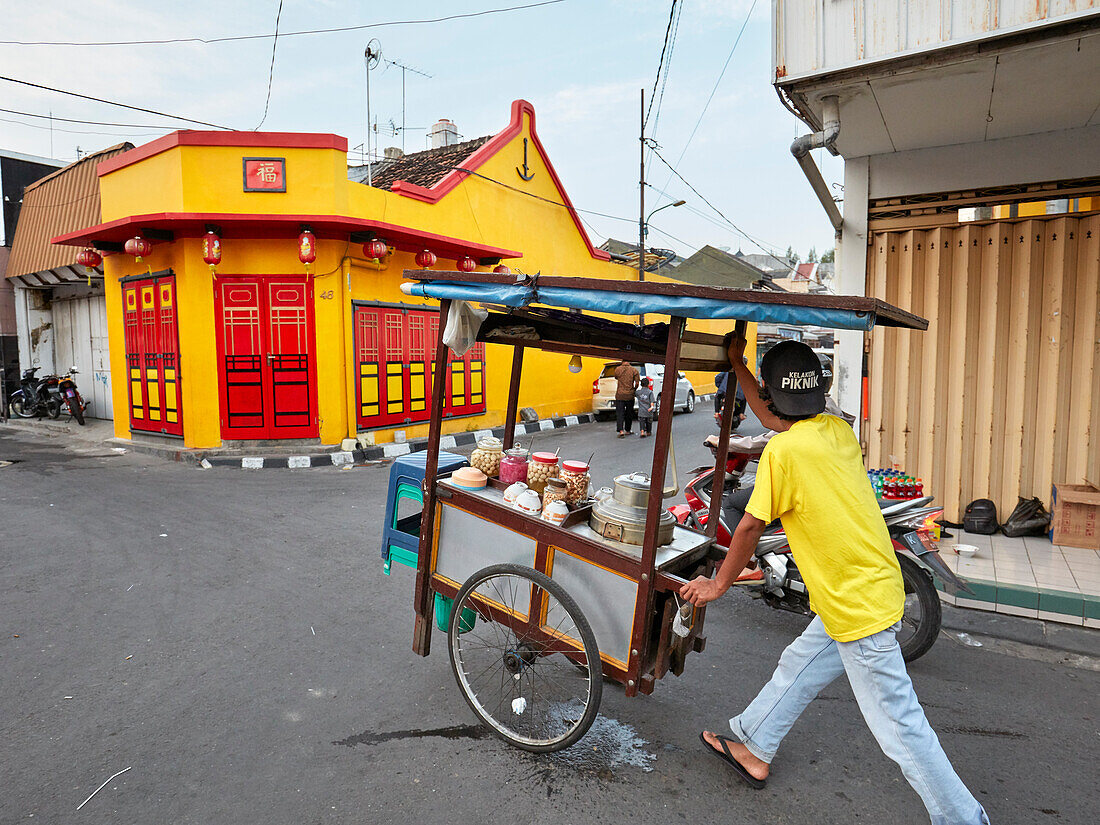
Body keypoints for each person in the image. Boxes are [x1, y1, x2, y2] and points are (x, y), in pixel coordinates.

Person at [681, 334, 989, 825]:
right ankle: (755, 745)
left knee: (903, 730)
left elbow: (751, 525)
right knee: (797, 664)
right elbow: (770, 415)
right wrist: (738, 365)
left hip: (857, 608)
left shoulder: (784, 453)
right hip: (862, 589)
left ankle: (964, 819)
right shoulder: (838, 431)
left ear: (774, 395)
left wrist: (717, 585)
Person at [613, 360, 640, 438]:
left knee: (620, 413)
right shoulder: (634, 370)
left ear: (622, 361)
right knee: (629, 413)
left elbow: (616, 377)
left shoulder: (617, 369)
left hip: (620, 395)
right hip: (630, 395)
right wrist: (634, 389)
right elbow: (637, 383)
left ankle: (621, 430)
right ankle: (628, 430)